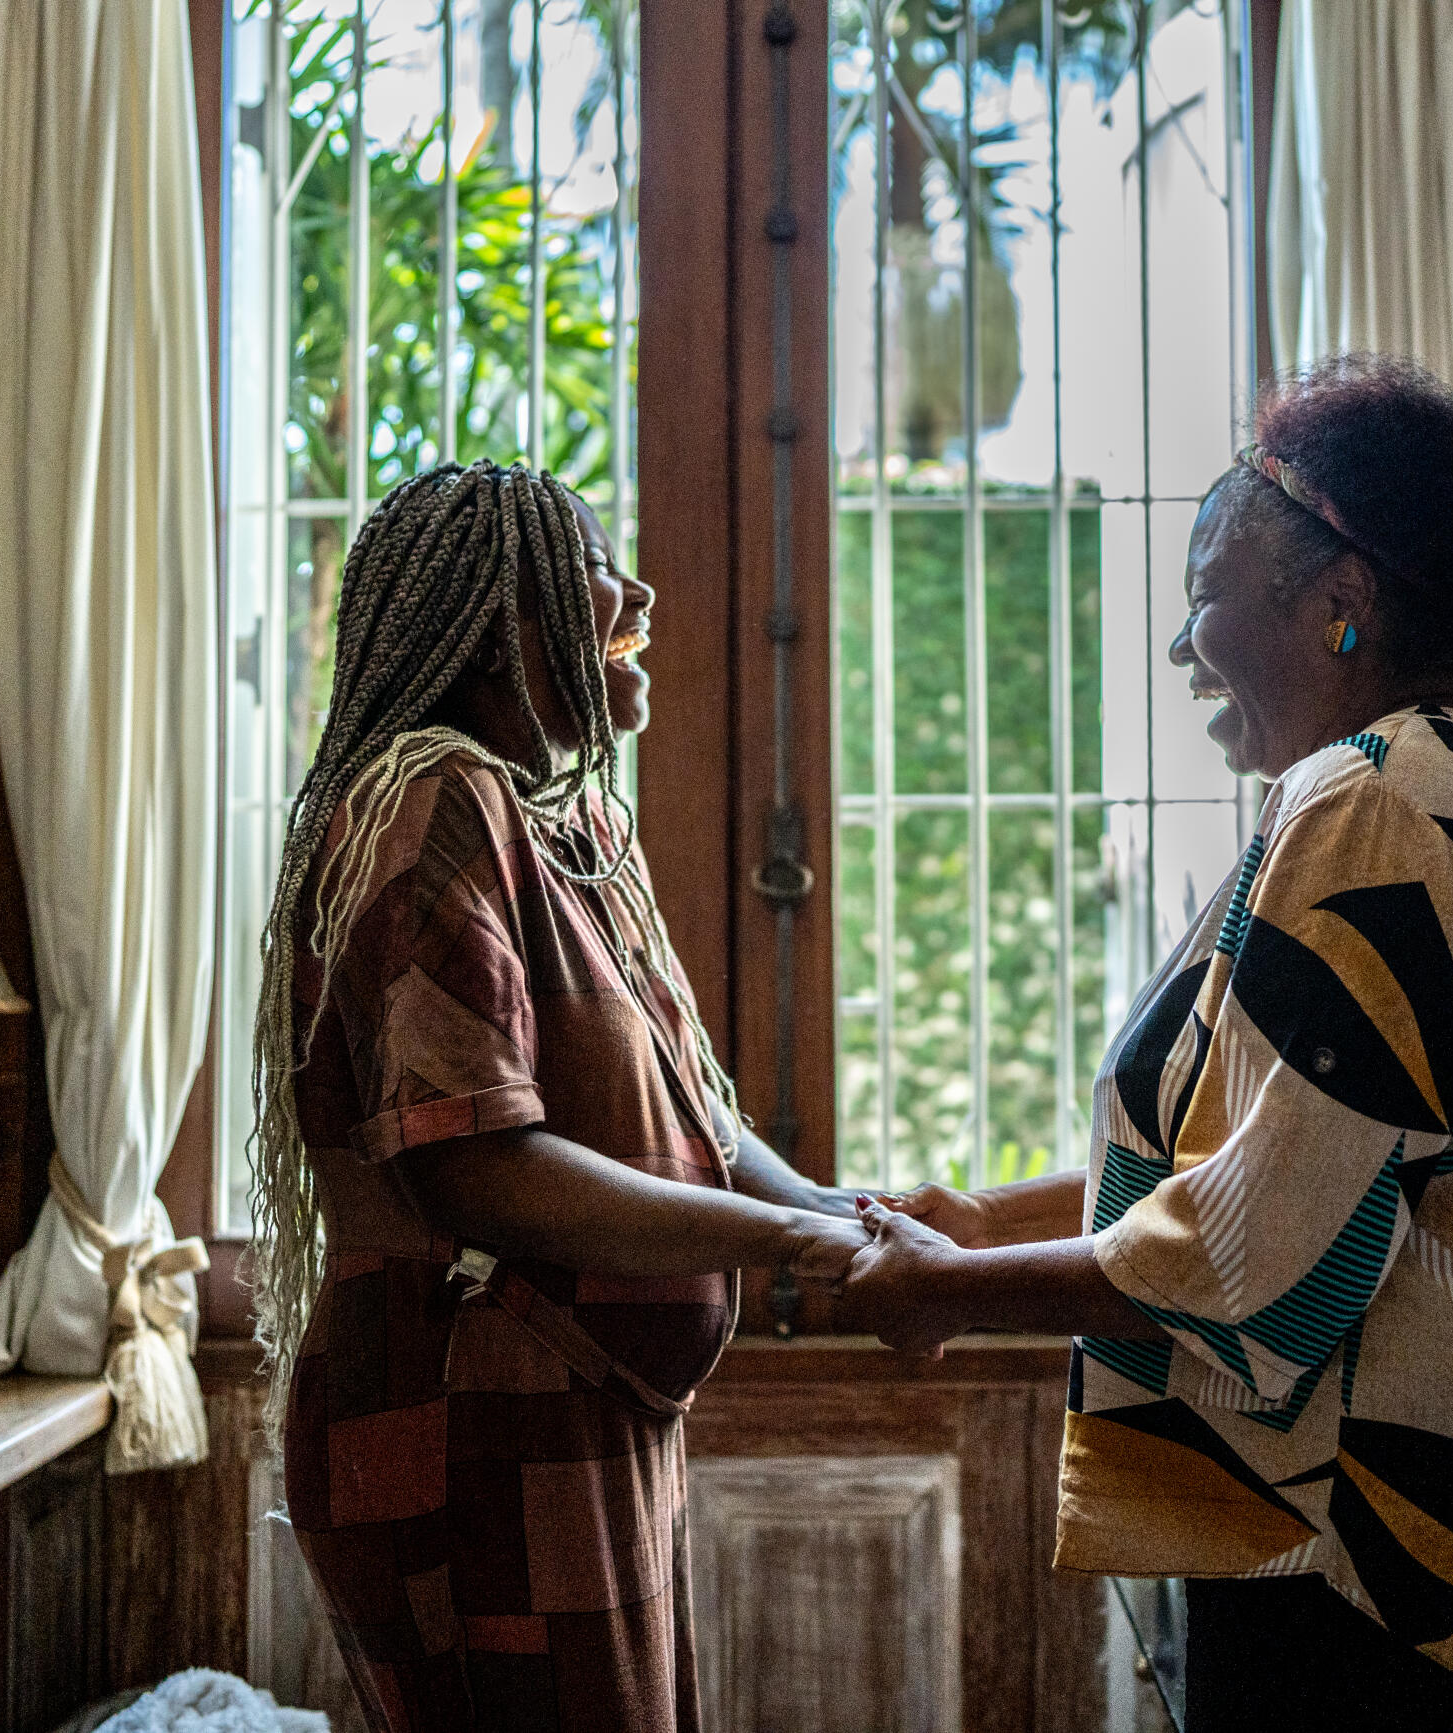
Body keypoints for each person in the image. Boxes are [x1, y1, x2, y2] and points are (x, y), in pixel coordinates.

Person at [839, 358, 1453, 1729]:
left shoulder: (1373, 814)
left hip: (1358, 1552)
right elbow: (1272, 1153)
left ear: (1339, 605)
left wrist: (958, 1291)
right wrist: (975, 1222)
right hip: (1419, 1532)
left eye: (1207, 594)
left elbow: (1256, 1257)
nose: (1180, 646)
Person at [248, 460, 867, 1733]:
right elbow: (478, 1168)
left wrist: (832, 1205)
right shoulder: (431, 799)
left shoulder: (562, 822)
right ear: (496, 624)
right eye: (593, 568)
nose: (636, 589)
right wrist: (798, 1239)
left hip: (566, 1408)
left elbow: (688, 1098)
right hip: (468, 1414)